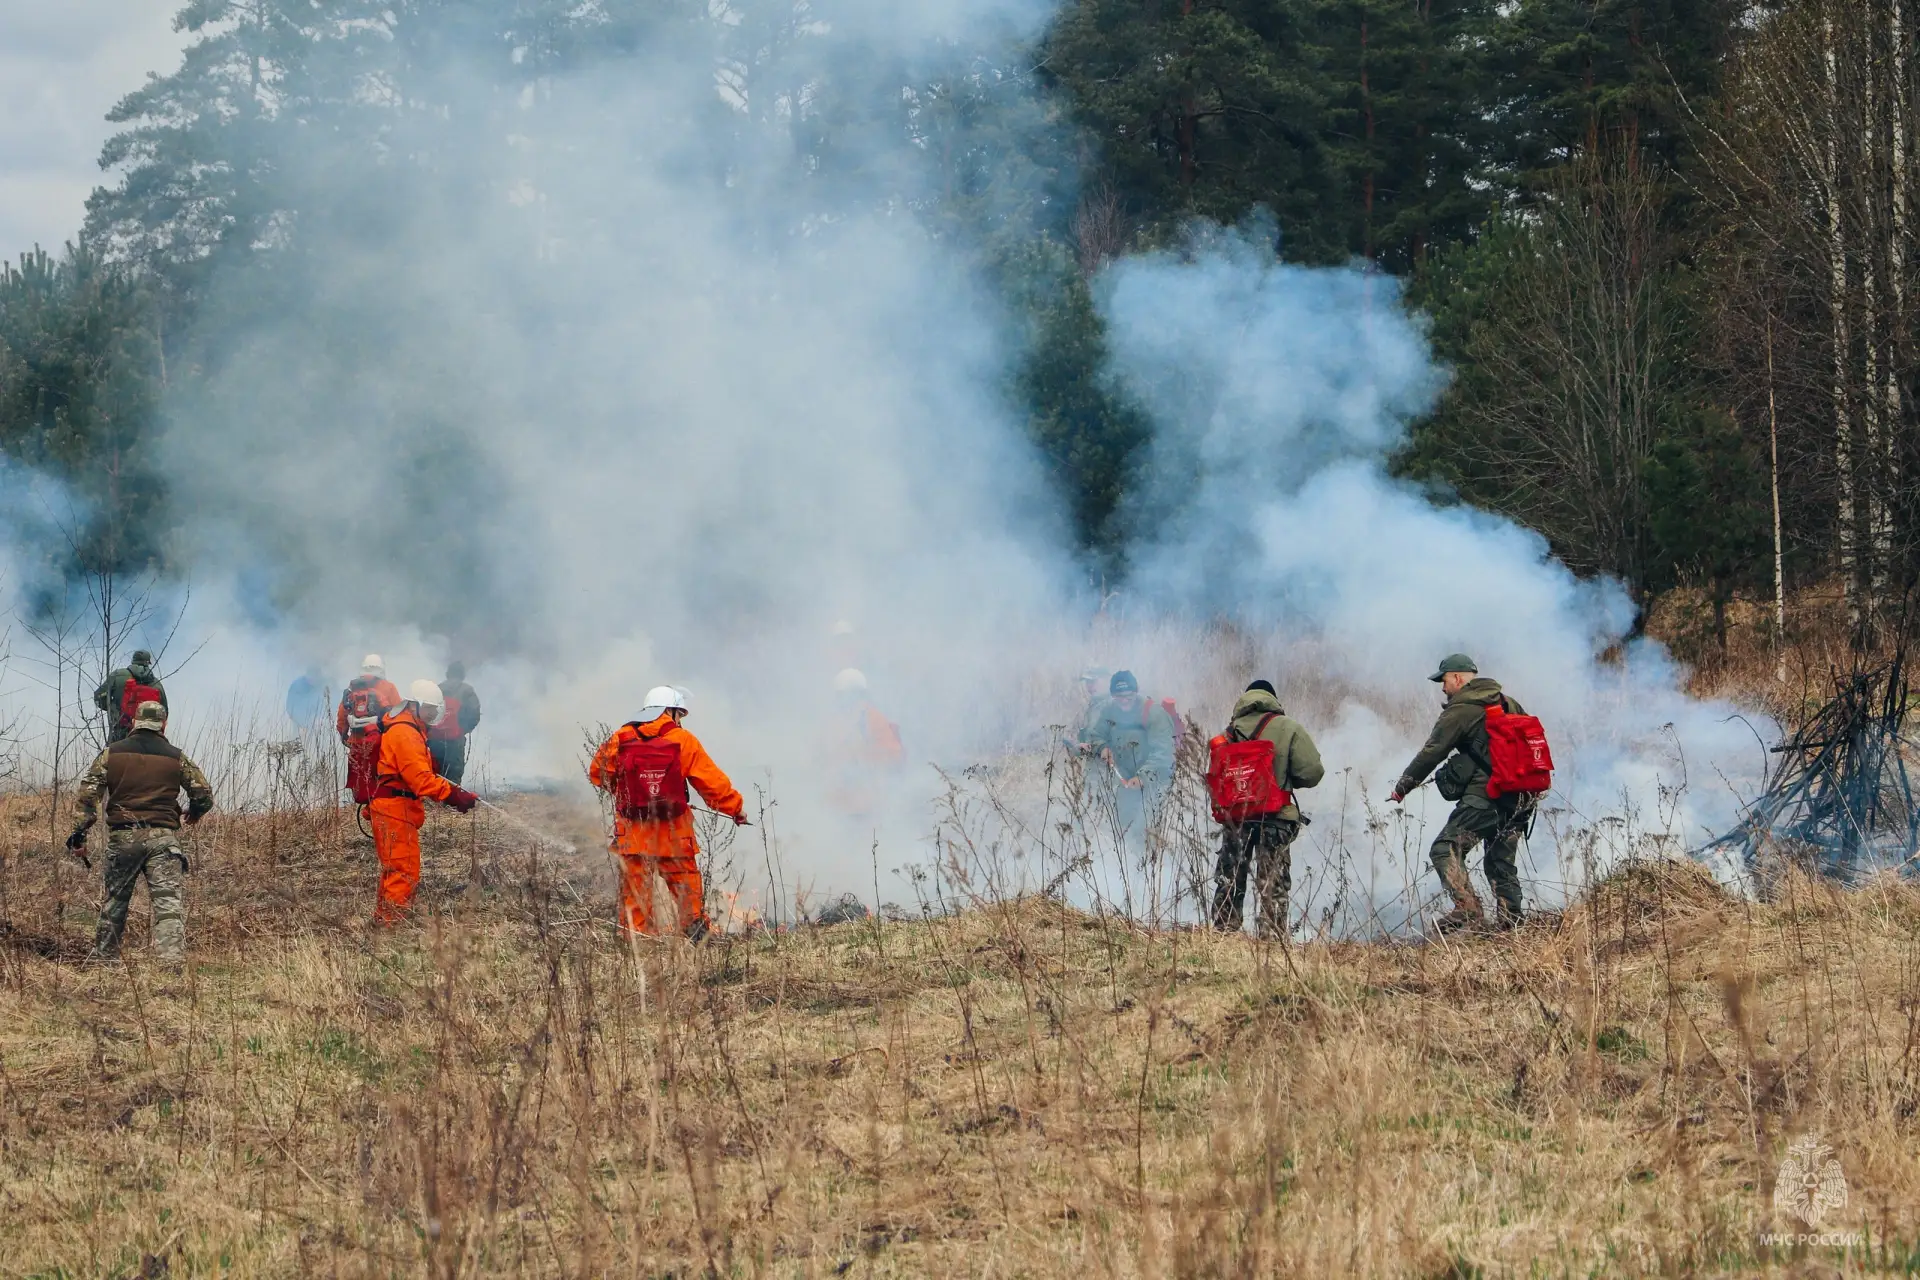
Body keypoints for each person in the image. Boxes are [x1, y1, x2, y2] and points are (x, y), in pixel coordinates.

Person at [1389, 654, 1536, 934]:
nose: (1442, 688)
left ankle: (1466, 908)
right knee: (1500, 863)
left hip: (1487, 793)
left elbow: (1433, 751)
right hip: (1520, 794)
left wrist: (1402, 787)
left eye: (1443, 681)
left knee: (1445, 848)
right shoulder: (1507, 702)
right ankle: (1513, 928)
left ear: (1457, 678)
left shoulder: (1463, 708)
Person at [587, 686, 747, 940]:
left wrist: (630, 792)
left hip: (632, 835)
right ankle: (698, 942)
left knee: (635, 902)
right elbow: (712, 784)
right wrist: (736, 809)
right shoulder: (683, 740)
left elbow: (597, 774)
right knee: (688, 899)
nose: (680, 720)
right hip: (675, 836)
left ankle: (638, 950)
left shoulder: (622, 737)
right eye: (679, 715)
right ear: (670, 712)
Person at [68, 701, 214, 964]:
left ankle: (105, 961)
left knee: (115, 903)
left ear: (134, 722)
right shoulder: (176, 757)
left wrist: (79, 834)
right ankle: (171, 964)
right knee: (167, 904)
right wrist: (194, 812)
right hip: (163, 838)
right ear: (164, 724)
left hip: (123, 837)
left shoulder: (111, 754)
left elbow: (88, 796)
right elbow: (203, 793)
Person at [1210, 679, 1325, 940]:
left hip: (1237, 818)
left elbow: (1218, 778)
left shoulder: (1229, 733)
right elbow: (1313, 773)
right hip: (1275, 818)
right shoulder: (1288, 728)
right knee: (1273, 881)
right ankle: (1271, 938)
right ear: (1273, 700)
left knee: (1230, 876)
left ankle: (1223, 932)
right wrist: (1283, 777)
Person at [366, 680, 477, 924]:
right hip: (394, 808)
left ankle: (385, 919)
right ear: (414, 705)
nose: (432, 715)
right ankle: (391, 926)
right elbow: (421, 780)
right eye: (429, 709)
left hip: (396, 806)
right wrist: (454, 795)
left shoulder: (407, 728)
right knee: (402, 869)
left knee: (396, 867)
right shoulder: (405, 733)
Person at [1084, 669, 1177, 845]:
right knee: (1124, 825)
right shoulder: (1109, 711)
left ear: (1136, 692)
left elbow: (1163, 754)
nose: (1124, 701)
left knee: (1145, 827)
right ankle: (1127, 865)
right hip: (1125, 779)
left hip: (1154, 779)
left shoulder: (1154, 713)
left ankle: (1152, 865)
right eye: (1119, 697)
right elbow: (1096, 735)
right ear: (1113, 695)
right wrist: (1103, 748)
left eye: (1129, 696)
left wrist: (1142, 777)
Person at [829, 667, 905, 815]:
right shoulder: (838, 720)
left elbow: (893, 756)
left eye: (842, 695)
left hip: (866, 804)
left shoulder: (871, 718)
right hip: (841, 803)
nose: (840, 699)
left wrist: (860, 757)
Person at [93, 649, 167, 744]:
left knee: (115, 756)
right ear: (148, 663)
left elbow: (98, 697)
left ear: (133, 660)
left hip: (121, 730)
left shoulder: (118, 675)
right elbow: (164, 711)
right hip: (150, 735)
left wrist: (113, 709)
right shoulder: (156, 683)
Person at [429, 661, 482, 784]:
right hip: (455, 740)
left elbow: (428, 712)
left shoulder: (437, 689)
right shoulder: (467, 691)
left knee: (435, 772)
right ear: (462, 674)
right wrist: (463, 730)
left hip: (435, 739)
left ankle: (435, 800)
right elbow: (474, 714)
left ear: (448, 673)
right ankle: (449, 801)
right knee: (454, 775)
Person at [336, 654, 402, 744]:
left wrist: (344, 735)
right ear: (381, 669)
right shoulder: (389, 687)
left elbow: (342, 714)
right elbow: (398, 713)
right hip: (381, 740)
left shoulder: (353, 687)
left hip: (356, 742)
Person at [1065, 665, 1112, 752]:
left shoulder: (1118, 705)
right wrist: (1077, 746)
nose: (1089, 686)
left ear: (1107, 680)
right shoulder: (1090, 707)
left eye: (1093, 681)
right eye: (1087, 682)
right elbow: (1074, 735)